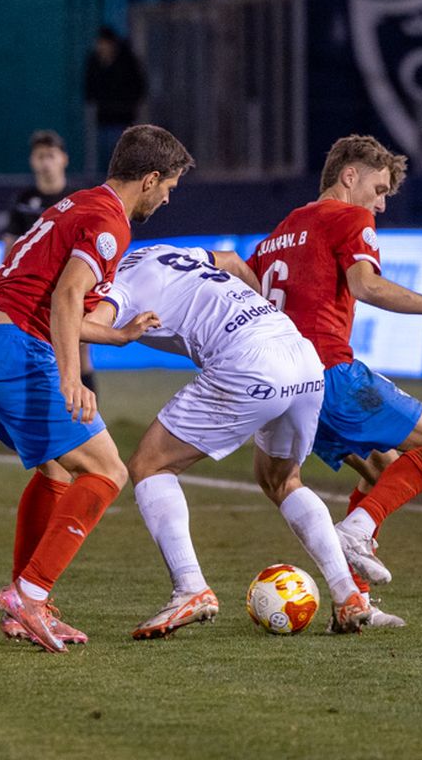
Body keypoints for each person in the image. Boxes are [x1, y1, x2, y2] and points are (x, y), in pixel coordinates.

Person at [0, 124, 192, 653]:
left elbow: (49, 301)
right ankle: (29, 595)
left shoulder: (77, 204)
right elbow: (66, 299)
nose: (169, 195)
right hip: (18, 352)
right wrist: (71, 378)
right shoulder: (110, 223)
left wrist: (118, 335)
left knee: (58, 469)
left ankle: (23, 604)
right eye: (170, 184)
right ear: (150, 178)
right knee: (108, 471)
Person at [248, 135, 422, 628]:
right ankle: (353, 532)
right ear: (349, 175)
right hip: (331, 374)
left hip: (284, 386)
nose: (380, 205)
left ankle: (352, 605)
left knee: (383, 471)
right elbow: (366, 285)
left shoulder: (279, 232)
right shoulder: (348, 217)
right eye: (378, 190)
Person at [84, 244, 372, 639]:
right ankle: (347, 594)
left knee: (149, 466)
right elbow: (235, 261)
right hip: (297, 349)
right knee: (282, 480)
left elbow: (87, 325)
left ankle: (190, 588)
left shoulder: (116, 284)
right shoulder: (162, 251)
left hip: (250, 360)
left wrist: (119, 335)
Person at [4, 130, 101, 395]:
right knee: (33, 350)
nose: (45, 161)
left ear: (63, 159)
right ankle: (41, 410)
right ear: (32, 161)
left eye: (50, 155)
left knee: (79, 351)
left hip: (70, 286)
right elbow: (11, 245)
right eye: (39, 156)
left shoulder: (78, 198)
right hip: (33, 291)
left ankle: (89, 417)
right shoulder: (24, 201)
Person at [83, 27, 147, 176]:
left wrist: (128, 103)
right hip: (103, 118)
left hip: (124, 118)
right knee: (104, 151)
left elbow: (139, 85)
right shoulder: (94, 61)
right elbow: (89, 87)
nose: (102, 47)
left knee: (123, 151)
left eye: (105, 43)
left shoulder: (127, 60)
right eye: (100, 43)